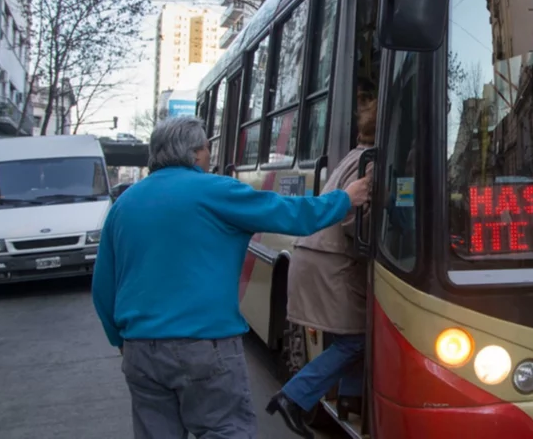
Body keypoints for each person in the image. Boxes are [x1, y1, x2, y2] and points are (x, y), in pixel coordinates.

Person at [91, 116, 372, 439]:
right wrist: (346, 198)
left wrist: (121, 341)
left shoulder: (124, 204)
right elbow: (294, 215)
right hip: (205, 346)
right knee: (225, 430)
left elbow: (102, 288)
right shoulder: (217, 192)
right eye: (207, 149)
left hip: (141, 351)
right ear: (194, 153)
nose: (209, 156)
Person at [268, 97, 377, 438]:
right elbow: (356, 222)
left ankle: (349, 401)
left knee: (354, 334)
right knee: (357, 339)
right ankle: (292, 397)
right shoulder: (373, 164)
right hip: (332, 262)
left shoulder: (355, 155)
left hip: (317, 255)